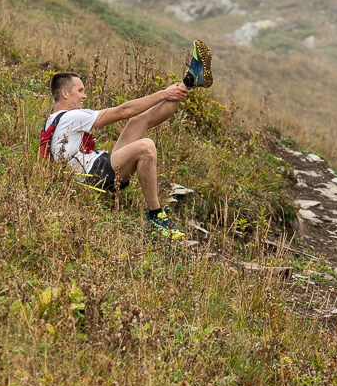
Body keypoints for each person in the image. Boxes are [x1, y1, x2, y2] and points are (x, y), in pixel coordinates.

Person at [43, 40, 212, 239]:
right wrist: (163, 94)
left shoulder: (54, 120)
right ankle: (156, 216)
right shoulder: (71, 117)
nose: (84, 96)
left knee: (138, 121)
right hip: (94, 176)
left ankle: (190, 80)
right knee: (146, 147)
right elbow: (122, 111)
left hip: (97, 166)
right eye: (79, 91)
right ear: (65, 93)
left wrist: (168, 94)